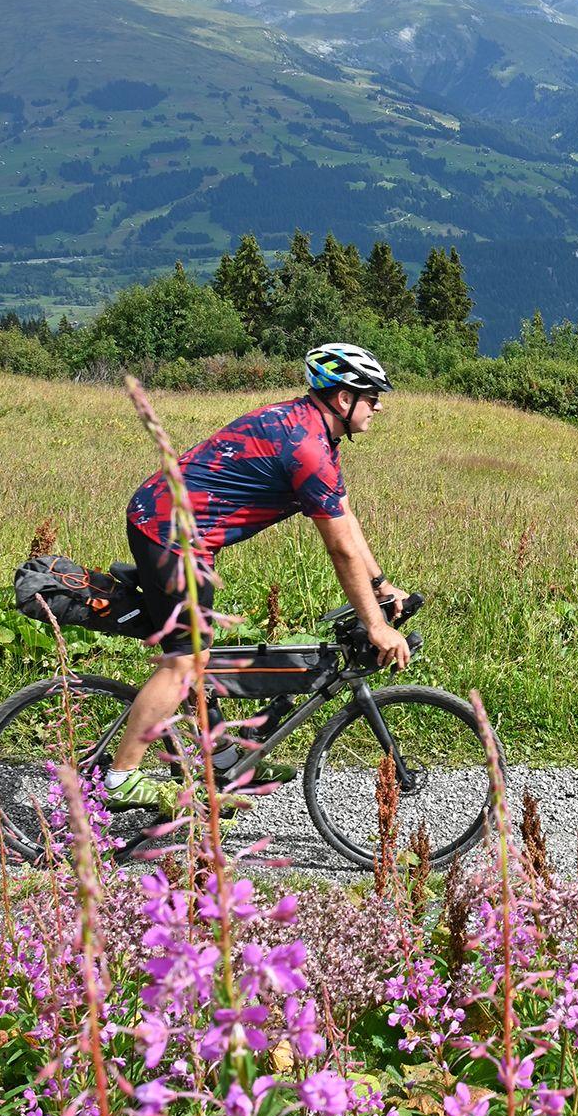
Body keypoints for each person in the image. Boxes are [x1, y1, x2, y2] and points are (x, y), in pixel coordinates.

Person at [107, 341, 412, 815]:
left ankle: (225, 758)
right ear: (343, 398)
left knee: (202, 656)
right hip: (169, 533)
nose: (379, 405)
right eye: (371, 394)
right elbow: (339, 548)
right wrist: (376, 625)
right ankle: (120, 779)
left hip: (180, 529)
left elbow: (345, 521)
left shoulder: (311, 430)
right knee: (184, 662)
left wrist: (380, 584)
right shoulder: (307, 448)